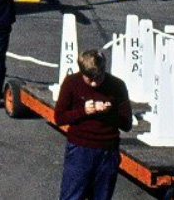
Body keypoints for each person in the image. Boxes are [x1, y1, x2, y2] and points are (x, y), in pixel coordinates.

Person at [54, 49, 133, 200]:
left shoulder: (117, 86)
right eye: (89, 79)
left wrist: (109, 112)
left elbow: (126, 124)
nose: (94, 83)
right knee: (72, 196)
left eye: (98, 78)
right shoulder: (71, 83)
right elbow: (59, 118)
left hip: (107, 151)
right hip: (80, 150)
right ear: (81, 72)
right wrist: (83, 111)